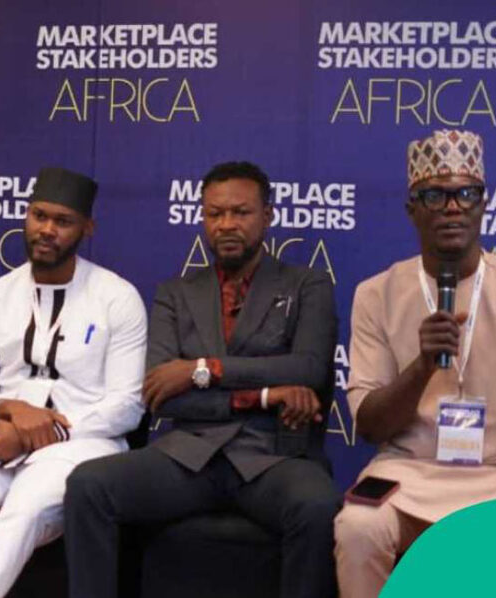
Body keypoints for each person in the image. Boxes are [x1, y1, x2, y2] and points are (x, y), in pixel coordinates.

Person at [64, 161, 342, 598]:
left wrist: (204, 369)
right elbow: (162, 395)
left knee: (318, 506)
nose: (226, 224)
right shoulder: (175, 293)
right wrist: (264, 395)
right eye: (215, 213)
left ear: (267, 216)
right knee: (89, 485)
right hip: (188, 456)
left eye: (240, 212)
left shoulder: (308, 285)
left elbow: (307, 369)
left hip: (273, 457)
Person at [0, 166, 147, 598]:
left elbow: (126, 406)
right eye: (39, 216)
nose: (47, 230)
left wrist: (47, 431)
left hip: (79, 445)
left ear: (87, 229)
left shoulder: (118, 298)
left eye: (62, 221)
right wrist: (9, 411)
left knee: (22, 513)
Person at [335, 129, 496, 597]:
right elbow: (370, 425)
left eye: (465, 194)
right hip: (407, 472)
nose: (452, 207)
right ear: (412, 209)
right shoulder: (377, 293)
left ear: (483, 204)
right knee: (358, 526)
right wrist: (422, 366)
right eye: (434, 196)